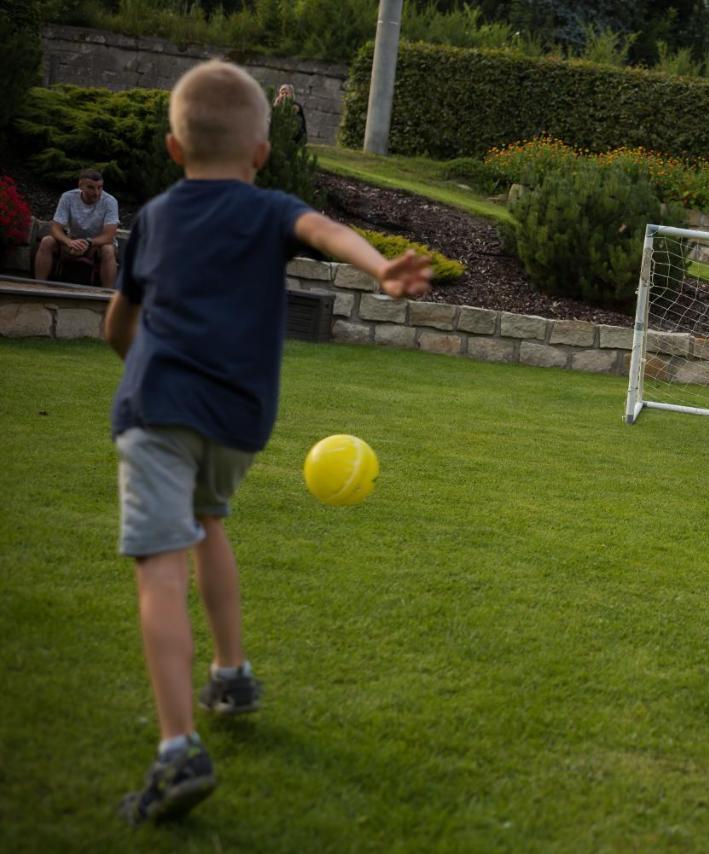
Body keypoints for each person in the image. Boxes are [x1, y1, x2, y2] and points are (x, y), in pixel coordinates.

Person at [104, 59, 432, 826]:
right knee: (207, 524)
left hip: (159, 408)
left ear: (173, 150)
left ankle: (178, 747)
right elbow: (324, 231)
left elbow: (119, 321)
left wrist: (131, 359)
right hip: (238, 420)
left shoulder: (154, 219)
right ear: (261, 153)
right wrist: (382, 265)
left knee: (158, 561)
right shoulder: (271, 208)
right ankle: (232, 674)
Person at [34, 168, 120, 286]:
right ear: (81, 186)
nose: (97, 192)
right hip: (73, 240)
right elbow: (56, 228)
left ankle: (108, 294)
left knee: (108, 249)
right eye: (91, 187)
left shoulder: (110, 201)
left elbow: (109, 236)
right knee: (46, 241)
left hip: (97, 243)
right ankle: (39, 286)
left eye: (100, 187)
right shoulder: (67, 197)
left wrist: (88, 243)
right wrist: (68, 242)